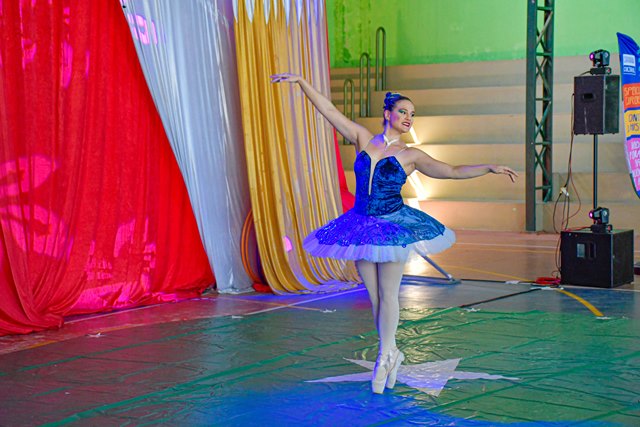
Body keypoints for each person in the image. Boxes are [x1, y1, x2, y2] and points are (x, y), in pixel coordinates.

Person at [270, 72, 518, 394]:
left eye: (413, 114)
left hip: (392, 227)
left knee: (388, 294)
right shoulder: (362, 137)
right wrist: (302, 82)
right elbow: (329, 111)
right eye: (403, 111)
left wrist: (488, 167)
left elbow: (452, 171)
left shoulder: (410, 155)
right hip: (360, 225)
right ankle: (392, 352)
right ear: (387, 113)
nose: (409, 118)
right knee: (375, 299)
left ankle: (384, 356)